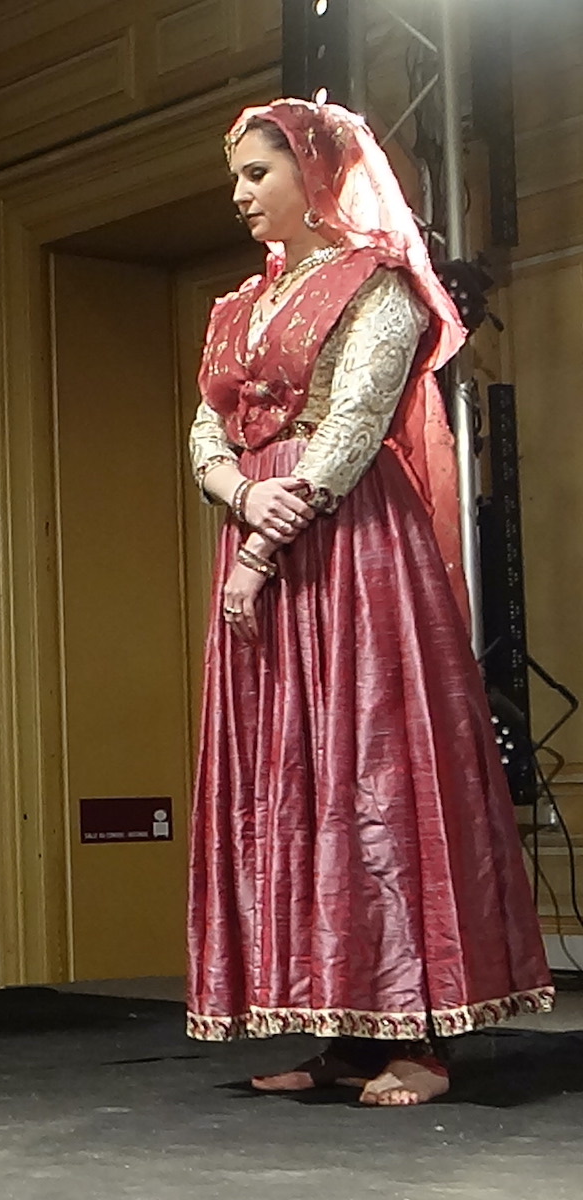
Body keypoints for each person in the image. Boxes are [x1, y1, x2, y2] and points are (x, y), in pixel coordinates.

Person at [187, 99, 553, 1106]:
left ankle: (418, 1039)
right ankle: (341, 1027)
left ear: (314, 173)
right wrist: (236, 490)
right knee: (296, 778)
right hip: (267, 530)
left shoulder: (378, 284)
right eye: (235, 179)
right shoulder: (234, 306)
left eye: (256, 174)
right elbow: (203, 432)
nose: (239, 196)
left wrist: (260, 547)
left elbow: (350, 433)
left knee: (373, 771)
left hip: (347, 552)